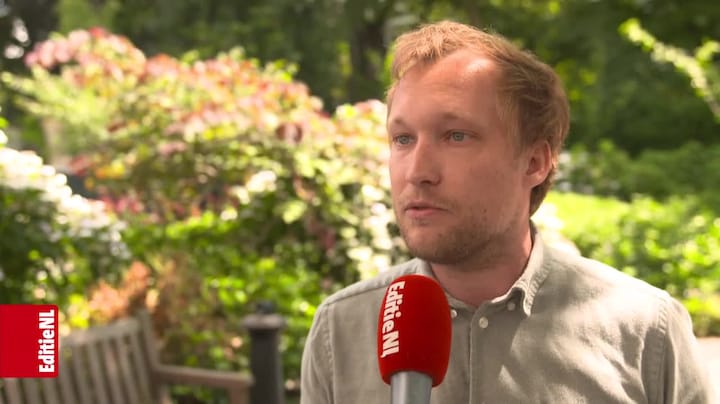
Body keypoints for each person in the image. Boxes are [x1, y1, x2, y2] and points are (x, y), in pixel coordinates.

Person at [300, 20, 715, 404]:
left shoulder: (646, 332)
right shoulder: (340, 330)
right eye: (403, 138)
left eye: (456, 136)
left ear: (534, 162)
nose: (417, 172)